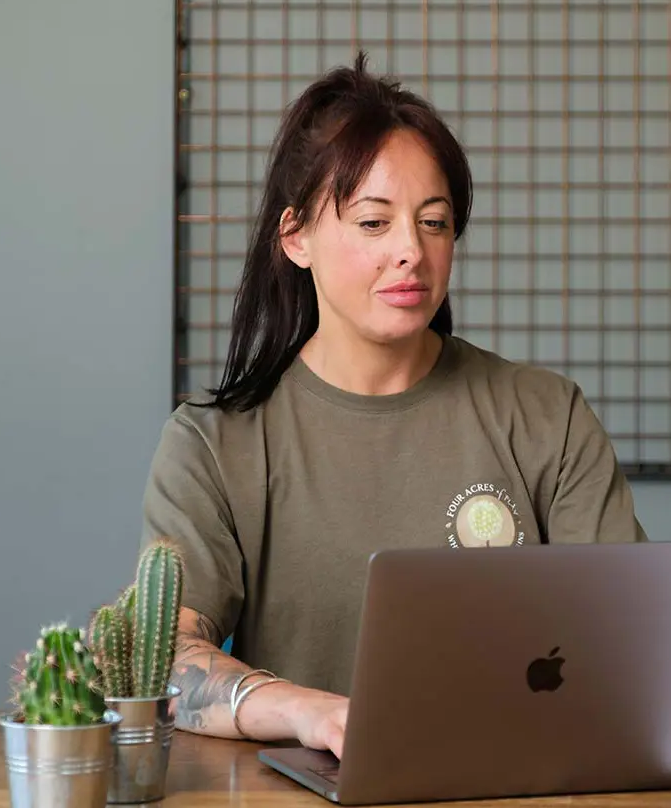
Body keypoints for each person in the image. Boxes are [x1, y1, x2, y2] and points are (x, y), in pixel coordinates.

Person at [139, 52, 646, 760]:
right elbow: (162, 659)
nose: (411, 250)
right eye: (374, 223)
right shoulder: (214, 442)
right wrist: (310, 714)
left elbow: (639, 642)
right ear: (296, 237)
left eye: (434, 223)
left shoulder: (545, 415)